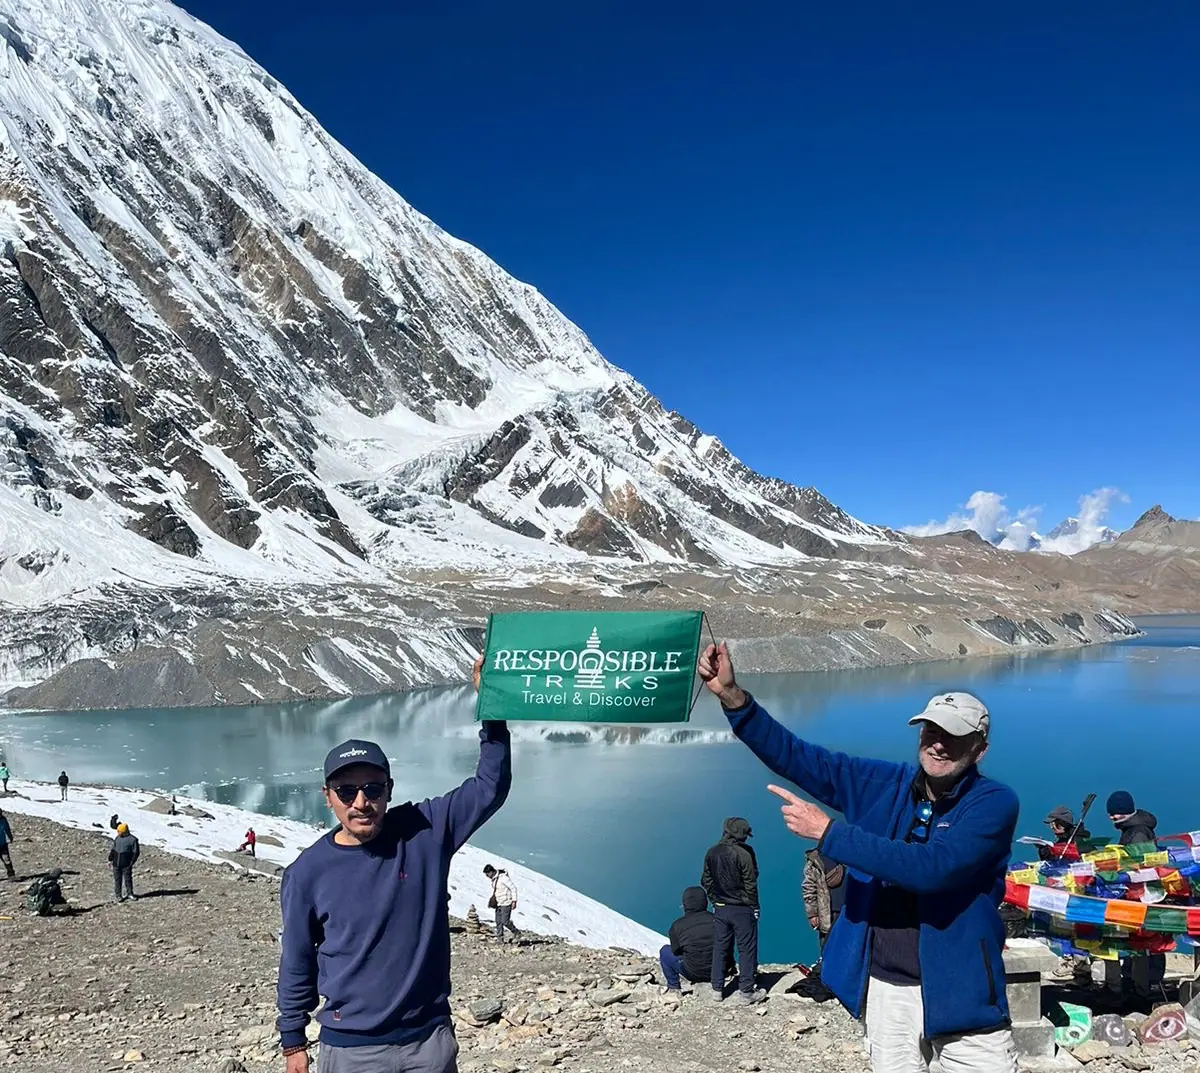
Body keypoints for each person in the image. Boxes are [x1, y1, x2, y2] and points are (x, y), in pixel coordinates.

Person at [699, 641, 1019, 1073]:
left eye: (954, 737)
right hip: (888, 987)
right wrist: (733, 698)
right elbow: (801, 758)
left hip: (964, 989)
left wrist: (829, 832)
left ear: (979, 749)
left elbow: (933, 869)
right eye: (931, 732)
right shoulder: (884, 783)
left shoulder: (993, 803)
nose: (938, 745)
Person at [276, 655, 509, 1073]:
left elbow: (490, 787)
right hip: (351, 1050)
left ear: (389, 789)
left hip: (428, 1041)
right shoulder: (308, 872)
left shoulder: (424, 830)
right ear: (327, 796)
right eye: (346, 792)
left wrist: (491, 709)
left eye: (372, 789)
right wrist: (293, 1040)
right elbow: (297, 957)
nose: (361, 802)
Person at [1106, 791, 1164, 999]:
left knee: (1140, 943)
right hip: (1140, 894)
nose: (1112, 818)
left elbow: (1140, 866)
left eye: (1116, 814)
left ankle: (1140, 992)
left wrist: (1113, 870)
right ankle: (1137, 987)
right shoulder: (1133, 828)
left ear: (1127, 812)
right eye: (1110, 814)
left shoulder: (1137, 833)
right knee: (1138, 943)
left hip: (1142, 895)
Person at [701, 816, 764, 1004]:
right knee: (746, 949)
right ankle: (746, 991)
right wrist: (754, 906)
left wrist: (715, 900)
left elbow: (706, 881)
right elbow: (750, 884)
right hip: (742, 908)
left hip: (720, 908)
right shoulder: (745, 853)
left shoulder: (711, 852)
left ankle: (717, 989)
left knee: (720, 947)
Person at [660, 886, 731, 992]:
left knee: (665, 951)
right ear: (705, 902)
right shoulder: (720, 920)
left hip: (693, 973)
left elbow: (676, 951)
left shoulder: (677, 926)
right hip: (721, 971)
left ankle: (673, 986)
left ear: (685, 905)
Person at [802, 848, 846, 960]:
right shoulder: (815, 860)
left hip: (849, 911)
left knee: (848, 946)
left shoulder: (848, 854)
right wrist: (813, 914)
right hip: (828, 913)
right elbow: (809, 889)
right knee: (828, 945)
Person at [482, 864, 521, 943]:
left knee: (505, 921)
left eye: (487, 874)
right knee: (498, 921)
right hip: (499, 902)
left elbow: (513, 888)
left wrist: (514, 901)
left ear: (491, 872)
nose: (487, 876)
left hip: (506, 902)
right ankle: (500, 938)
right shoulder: (494, 879)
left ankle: (516, 932)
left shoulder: (503, 878)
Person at [109, 822, 140, 902]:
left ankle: (130, 893)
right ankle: (118, 895)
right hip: (116, 864)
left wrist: (131, 862)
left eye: (119, 831)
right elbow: (113, 849)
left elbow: (135, 852)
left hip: (126, 864)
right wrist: (110, 859)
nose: (118, 833)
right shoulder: (117, 838)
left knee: (128, 879)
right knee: (117, 880)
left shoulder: (133, 840)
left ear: (123, 831)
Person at [0, 808, 14, 879]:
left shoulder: (3, 820)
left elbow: (7, 828)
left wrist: (10, 837)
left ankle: (11, 874)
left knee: (7, 860)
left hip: (2, 844)